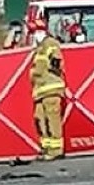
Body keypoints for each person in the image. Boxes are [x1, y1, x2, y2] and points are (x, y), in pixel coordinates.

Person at [28, 17, 65, 160]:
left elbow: (56, 60)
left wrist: (53, 64)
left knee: (52, 119)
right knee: (39, 119)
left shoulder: (50, 43)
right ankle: (47, 147)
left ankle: (56, 150)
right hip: (40, 91)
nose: (35, 35)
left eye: (36, 31)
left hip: (51, 89)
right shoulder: (38, 49)